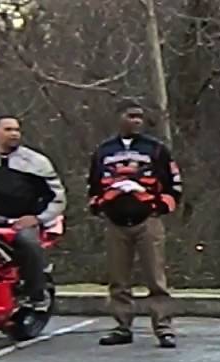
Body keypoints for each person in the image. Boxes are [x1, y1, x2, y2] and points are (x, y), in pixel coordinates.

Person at [87, 100, 182, 348]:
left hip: (147, 220)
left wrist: (160, 207)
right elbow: (93, 184)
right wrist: (100, 206)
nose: (137, 121)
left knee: (155, 278)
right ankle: (122, 326)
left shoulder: (156, 149)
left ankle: (163, 327)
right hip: (115, 221)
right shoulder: (104, 151)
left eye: (140, 117)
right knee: (118, 279)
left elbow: (174, 183)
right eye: (131, 116)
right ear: (119, 117)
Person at [0, 114, 67, 312]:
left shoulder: (36, 161)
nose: (14, 134)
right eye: (8, 129)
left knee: (28, 243)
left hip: (25, 220)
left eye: (17, 130)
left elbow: (57, 197)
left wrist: (38, 218)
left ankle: (36, 294)